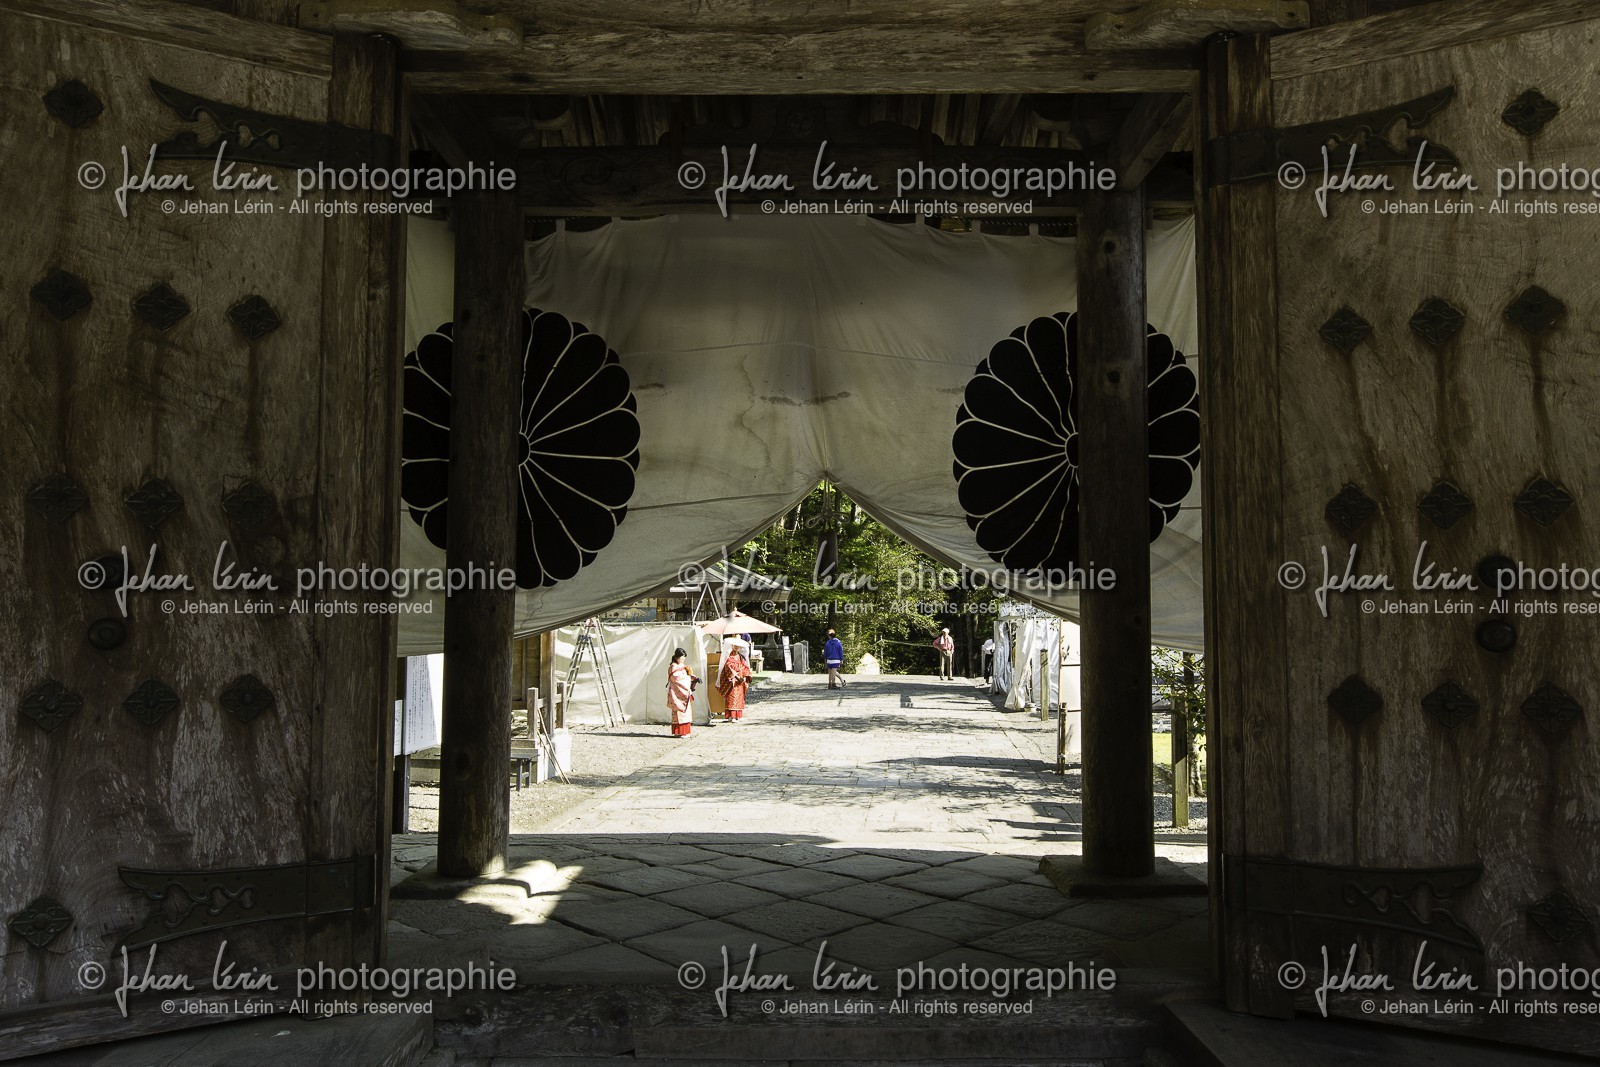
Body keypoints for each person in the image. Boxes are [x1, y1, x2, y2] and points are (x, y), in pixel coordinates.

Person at [718, 638, 753, 722]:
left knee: (739, 698)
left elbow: (744, 667)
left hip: (740, 682)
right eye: (736, 646)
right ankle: (731, 716)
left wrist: (746, 675)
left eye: (739, 646)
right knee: (732, 698)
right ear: (732, 646)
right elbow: (728, 667)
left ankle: (738, 716)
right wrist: (736, 677)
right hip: (733, 682)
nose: (737, 647)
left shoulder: (740, 657)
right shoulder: (729, 656)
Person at [665, 647, 698, 737]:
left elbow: (687, 675)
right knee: (678, 711)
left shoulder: (682, 666)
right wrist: (688, 679)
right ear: (676, 657)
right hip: (677, 692)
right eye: (681, 657)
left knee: (685, 711)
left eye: (684, 657)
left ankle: (684, 731)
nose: (683, 659)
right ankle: (679, 732)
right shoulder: (673, 666)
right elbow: (677, 679)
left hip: (683, 691)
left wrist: (693, 677)